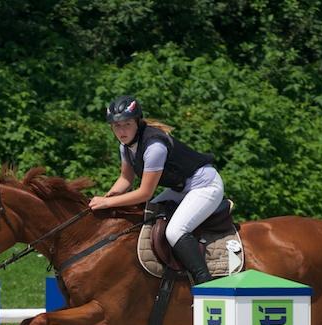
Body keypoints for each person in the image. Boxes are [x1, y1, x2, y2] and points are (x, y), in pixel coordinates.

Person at [88, 95, 224, 285]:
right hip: (181, 188)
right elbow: (125, 179)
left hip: (205, 185)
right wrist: (106, 199)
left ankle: (205, 283)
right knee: (145, 215)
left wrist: (108, 202)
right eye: (117, 126)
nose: (122, 131)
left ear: (137, 122)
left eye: (127, 124)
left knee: (175, 231)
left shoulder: (154, 146)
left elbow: (145, 193)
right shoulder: (125, 146)